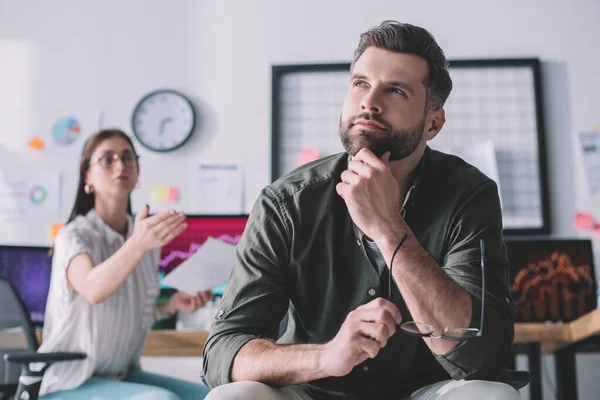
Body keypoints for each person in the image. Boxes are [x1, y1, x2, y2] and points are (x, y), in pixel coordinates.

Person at [202, 21, 518, 400]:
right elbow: (222, 351)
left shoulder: (469, 194)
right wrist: (326, 357)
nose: (370, 101)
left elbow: (481, 357)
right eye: (360, 84)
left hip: (421, 392)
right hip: (309, 391)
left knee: (489, 395)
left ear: (433, 123)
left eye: (396, 90)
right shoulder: (286, 203)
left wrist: (389, 228)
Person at [38, 129, 211, 399]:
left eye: (128, 158)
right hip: (71, 381)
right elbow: (93, 290)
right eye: (108, 159)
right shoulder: (73, 236)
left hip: (122, 374)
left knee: (211, 396)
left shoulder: (142, 234)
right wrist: (138, 244)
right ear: (87, 175)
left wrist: (170, 305)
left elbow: (129, 313)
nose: (121, 165)